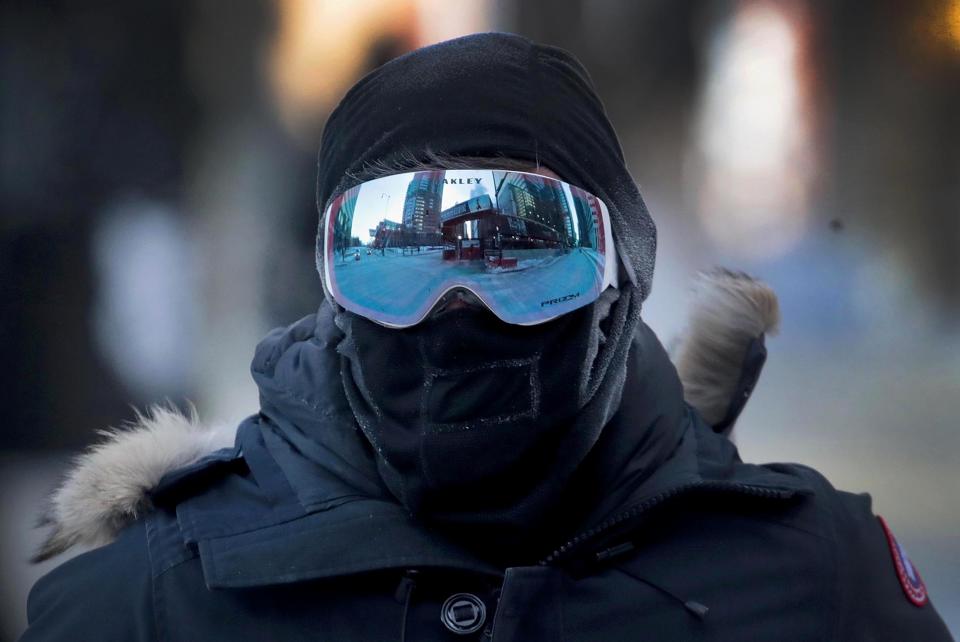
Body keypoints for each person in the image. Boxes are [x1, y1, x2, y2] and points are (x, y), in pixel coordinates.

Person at [20, 33, 952, 641]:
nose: (457, 304)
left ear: (621, 276)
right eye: (396, 246)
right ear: (331, 287)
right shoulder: (149, 601)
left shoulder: (816, 580)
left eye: (522, 243)